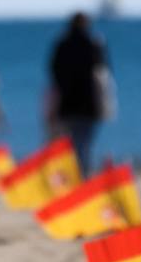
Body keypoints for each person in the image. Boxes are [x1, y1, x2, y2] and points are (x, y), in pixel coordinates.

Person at [48, 12, 112, 177]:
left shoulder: (62, 45)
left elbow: (54, 73)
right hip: (88, 103)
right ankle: (82, 176)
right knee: (84, 144)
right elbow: (104, 71)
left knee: (69, 145)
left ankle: (74, 177)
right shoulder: (93, 44)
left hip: (67, 103)